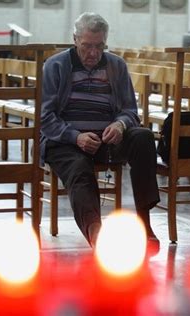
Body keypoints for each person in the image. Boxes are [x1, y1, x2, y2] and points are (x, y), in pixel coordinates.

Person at [40, 12, 160, 249]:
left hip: (106, 139)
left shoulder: (116, 66)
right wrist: (76, 137)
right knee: (79, 167)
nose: (93, 53)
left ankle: (144, 223)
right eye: (86, 46)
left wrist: (120, 124)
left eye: (99, 46)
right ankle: (97, 234)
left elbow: (130, 111)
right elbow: (44, 116)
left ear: (105, 42)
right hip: (65, 141)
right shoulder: (55, 65)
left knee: (143, 137)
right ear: (75, 40)